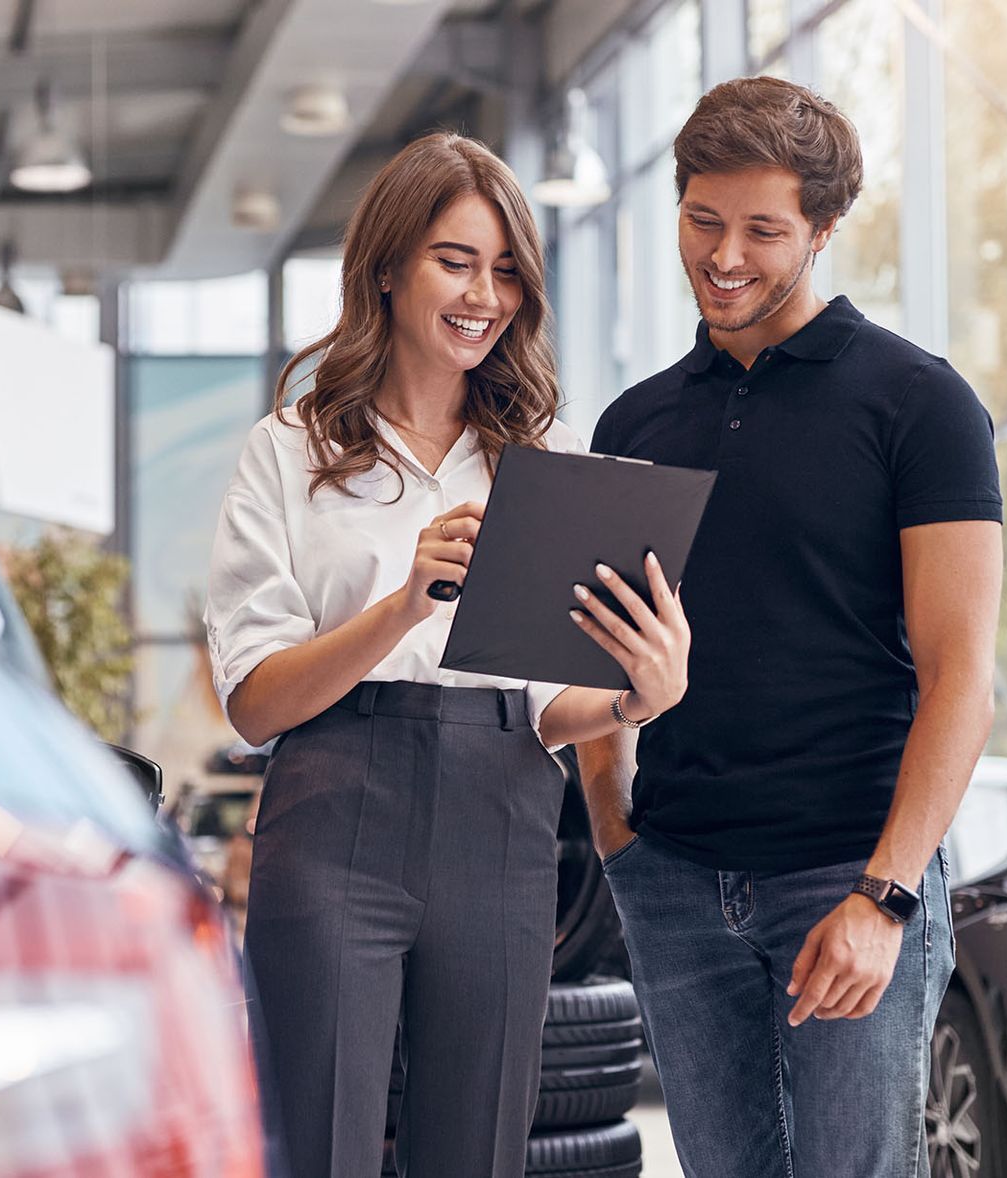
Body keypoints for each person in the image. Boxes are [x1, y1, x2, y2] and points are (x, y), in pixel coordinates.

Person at [203, 132, 693, 1178]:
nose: (486, 293)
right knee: (318, 1139)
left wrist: (631, 699)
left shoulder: (544, 460)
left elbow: (547, 700)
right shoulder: (289, 451)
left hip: (503, 813)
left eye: (507, 267)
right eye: (456, 259)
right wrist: (402, 605)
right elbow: (253, 703)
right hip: (334, 809)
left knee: (477, 1148)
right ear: (387, 267)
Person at [579, 77, 1004, 1177]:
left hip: (846, 874)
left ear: (821, 229)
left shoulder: (920, 404)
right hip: (674, 875)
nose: (725, 256)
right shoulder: (636, 421)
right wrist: (618, 831)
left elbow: (962, 675)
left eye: (763, 230)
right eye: (703, 221)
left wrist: (885, 894)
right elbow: (601, 647)